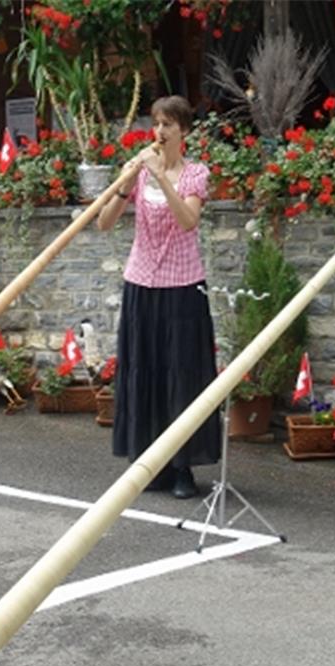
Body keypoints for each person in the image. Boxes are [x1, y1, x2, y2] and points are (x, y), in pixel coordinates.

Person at [96, 95, 220, 500]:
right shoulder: (140, 173)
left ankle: (184, 467)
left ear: (183, 131)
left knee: (181, 377)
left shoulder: (195, 174)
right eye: (156, 124)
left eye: (168, 125)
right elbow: (104, 224)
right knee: (144, 372)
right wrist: (127, 184)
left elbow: (188, 221)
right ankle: (152, 463)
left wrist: (162, 178)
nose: (160, 132)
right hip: (141, 285)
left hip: (182, 287)